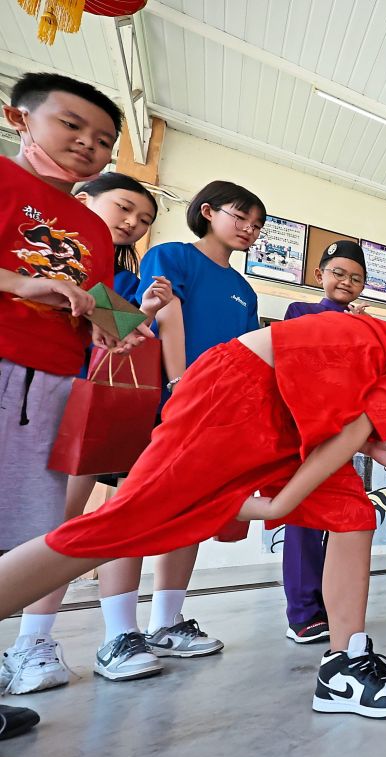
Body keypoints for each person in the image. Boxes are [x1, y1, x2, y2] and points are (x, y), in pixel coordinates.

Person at [0, 311, 386, 719]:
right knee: (122, 525)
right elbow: (349, 432)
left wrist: (383, 449)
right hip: (244, 390)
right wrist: (283, 505)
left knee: (353, 515)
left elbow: (353, 420)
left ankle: (345, 665)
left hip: (284, 411)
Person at [0, 74, 162, 699]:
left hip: (51, 387)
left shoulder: (91, 230)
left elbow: (99, 315)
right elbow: (35, 284)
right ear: (21, 120)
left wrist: (135, 318)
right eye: (71, 125)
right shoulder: (6, 181)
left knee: (20, 530)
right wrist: (19, 286)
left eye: (103, 139)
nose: (86, 144)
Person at [89, 179, 265, 666]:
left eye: (256, 226)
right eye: (240, 217)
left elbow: (247, 354)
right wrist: (180, 382)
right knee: (131, 510)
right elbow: (163, 314)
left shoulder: (245, 290)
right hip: (163, 401)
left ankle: (167, 621)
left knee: (189, 513)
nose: (248, 229)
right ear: (207, 211)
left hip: (215, 413)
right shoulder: (172, 256)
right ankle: (118, 634)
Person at [280, 240, 370, 644]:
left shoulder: (366, 324)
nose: (346, 282)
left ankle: (331, 607)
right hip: (304, 432)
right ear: (319, 275)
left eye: (356, 277)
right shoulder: (300, 312)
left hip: (345, 435)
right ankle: (302, 612)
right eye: (338, 273)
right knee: (302, 521)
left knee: (343, 522)